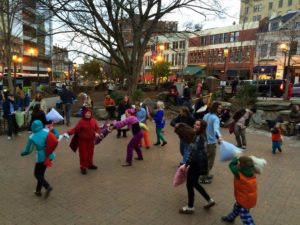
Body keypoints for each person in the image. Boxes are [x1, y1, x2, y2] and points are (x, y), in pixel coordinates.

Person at [179, 120, 215, 214]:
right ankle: (209, 200)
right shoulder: (201, 135)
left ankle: (190, 207)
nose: (195, 125)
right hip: (200, 163)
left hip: (196, 164)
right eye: (195, 123)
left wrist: (186, 165)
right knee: (195, 183)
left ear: (202, 127)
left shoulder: (199, 137)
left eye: (198, 125)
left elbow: (193, 153)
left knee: (189, 185)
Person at [21, 120, 59, 197]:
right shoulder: (46, 131)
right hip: (49, 155)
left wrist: (22, 153)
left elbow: (28, 150)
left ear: (32, 127)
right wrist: (53, 129)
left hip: (41, 157)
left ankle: (47, 186)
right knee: (40, 174)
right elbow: (57, 136)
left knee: (37, 174)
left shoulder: (32, 137)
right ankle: (38, 191)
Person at [221, 156, 257, 225]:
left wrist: (234, 161)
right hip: (248, 197)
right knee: (237, 207)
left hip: (245, 199)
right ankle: (231, 218)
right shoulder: (251, 170)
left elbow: (231, 166)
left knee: (244, 214)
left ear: (242, 165)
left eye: (239, 163)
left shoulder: (239, 173)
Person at [65, 107, 101, 175]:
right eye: (86, 113)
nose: (88, 114)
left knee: (90, 153)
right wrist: (68, 133)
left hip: (91, 140)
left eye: (89, 113)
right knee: (83, 154)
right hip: (82, 141)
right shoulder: (81, 121)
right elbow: (75, 129)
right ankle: (83, 167)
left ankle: (90, 165)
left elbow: (97, 128)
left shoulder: (93, 120)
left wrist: (97, 133)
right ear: (84, 114)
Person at [203, 101, 223, 183]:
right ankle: (203, 178)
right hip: (211, 143)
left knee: (205, 159)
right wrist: (219, 137)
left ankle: (206, 174)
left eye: (221, 108)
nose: (220, 109)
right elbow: (216, 129)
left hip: (204, 141)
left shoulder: (206, 115)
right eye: (219, 108)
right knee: (209, 161)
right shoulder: (215, 118)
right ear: (215, 108)